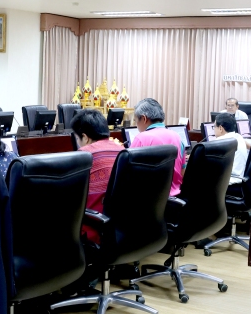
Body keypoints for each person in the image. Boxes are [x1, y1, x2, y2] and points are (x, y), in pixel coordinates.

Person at [72, 109, 124, 244]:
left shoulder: (84, 155)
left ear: (85, 137)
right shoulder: (122, 150)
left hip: (95, 229)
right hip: (123, 228)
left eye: (77, 138)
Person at [130, 98, 186, 196]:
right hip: (175, 199)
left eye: (135, 121)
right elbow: (182, 172)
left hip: (149, 199)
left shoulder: (140, 138)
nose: (136, 126)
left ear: (144, 119)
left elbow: (128, 174)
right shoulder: (177, 137)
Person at [213, 113, 249, 181]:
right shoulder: (239, 137)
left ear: (220, 128)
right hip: (240, 179)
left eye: (214, 126)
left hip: (227, 181)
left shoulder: (219, 142)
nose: (213, 129)